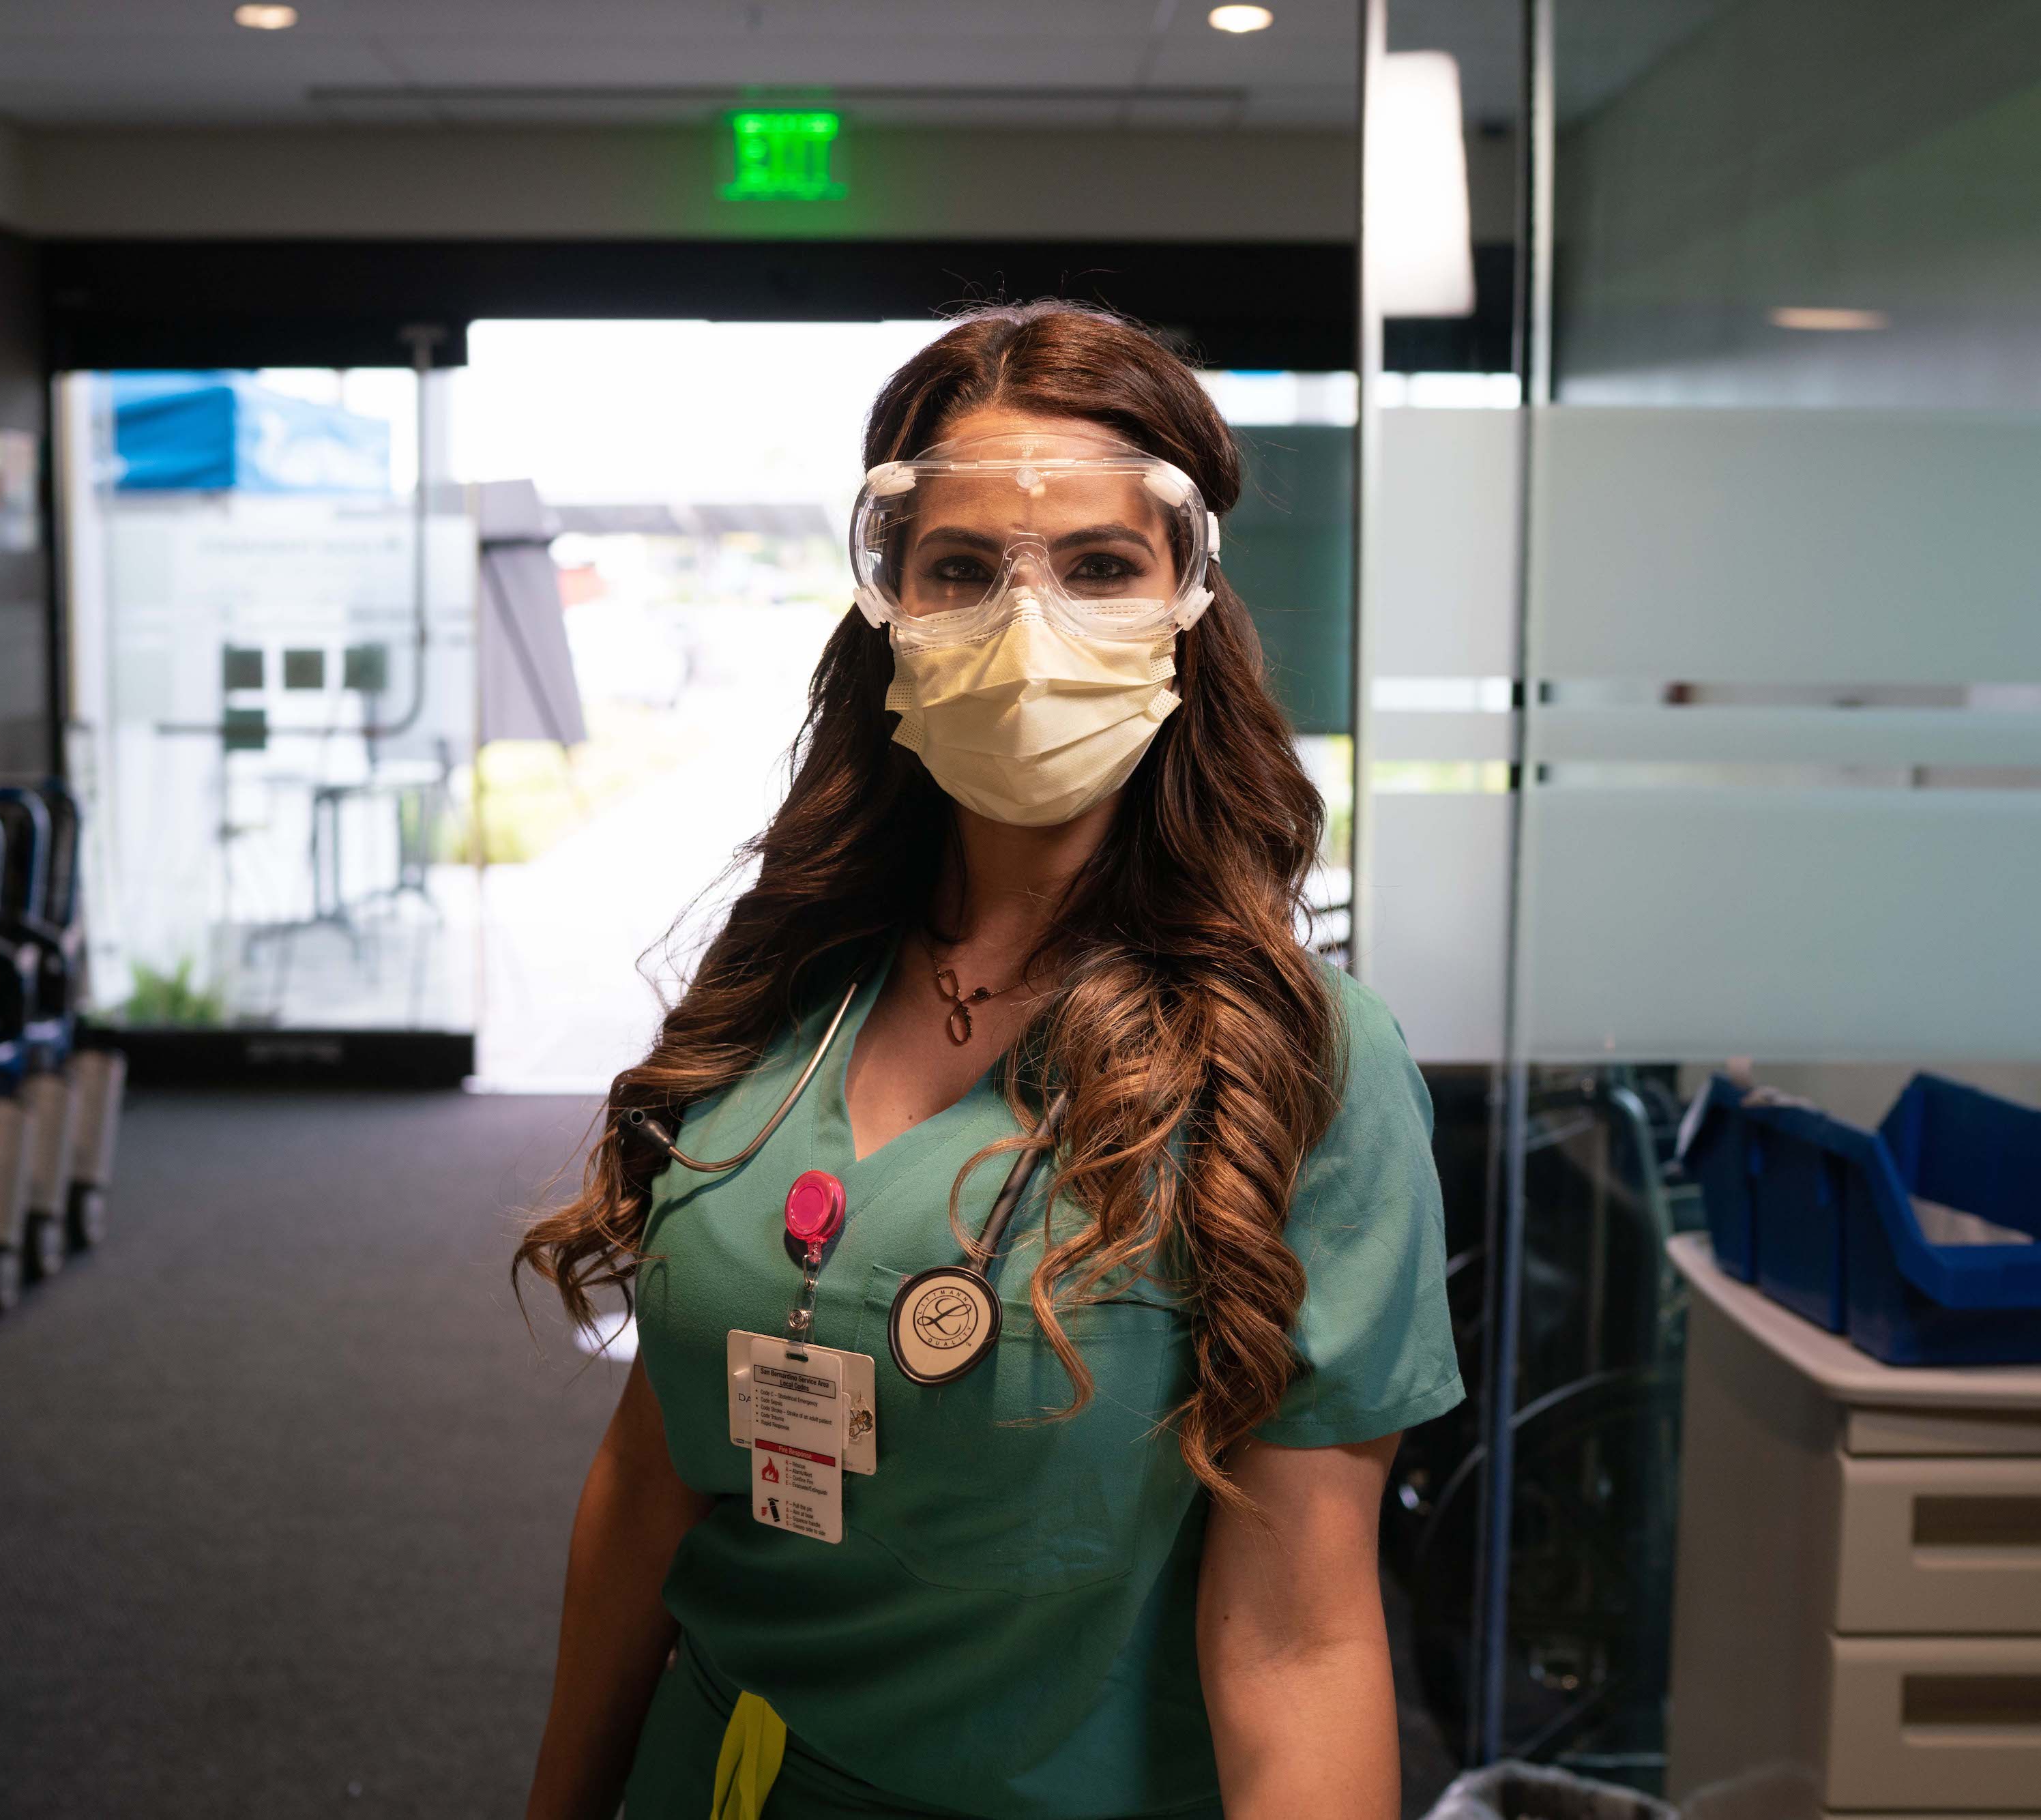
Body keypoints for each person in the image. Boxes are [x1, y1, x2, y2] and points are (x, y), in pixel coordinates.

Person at [516, 302, 1460, 1820]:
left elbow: (1300, 1636)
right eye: (961, 566)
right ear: (887, 598)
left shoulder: (1295, 1064)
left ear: (1187, 602)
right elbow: (653, 1473)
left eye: (1099, 565)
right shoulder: (785, 985)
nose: (1028, 622)